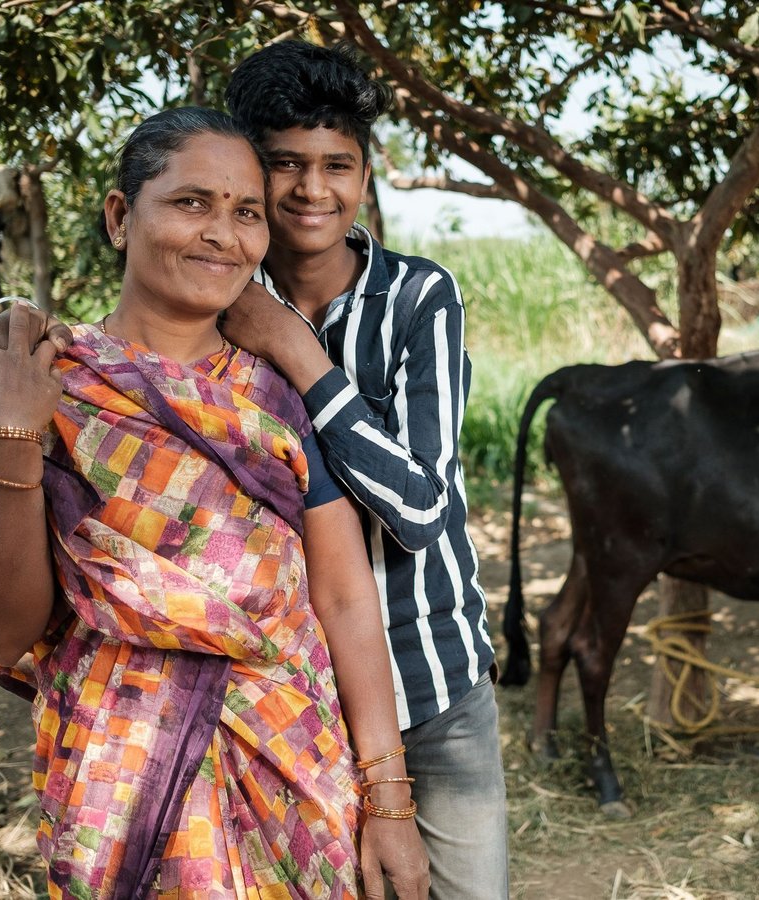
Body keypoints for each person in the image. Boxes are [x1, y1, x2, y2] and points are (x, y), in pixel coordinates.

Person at [0, 107, 429, 899]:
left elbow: (342, 596)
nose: (222, 234)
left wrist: (391, 802)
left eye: (245, 213)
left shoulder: (276, 393)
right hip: (119, 782)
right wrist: (9, 439)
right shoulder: (36, 380)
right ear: (118, 215)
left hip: (295, 770)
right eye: (191, 202)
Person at [219, 41, 509, 899]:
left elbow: (421, 511)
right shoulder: (217, 301)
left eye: (336, 165)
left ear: (366, 171)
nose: (314, 190)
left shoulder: (419, 298)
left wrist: (298, 356)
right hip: (290, 694)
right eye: (286, 165)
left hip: (431, 677)